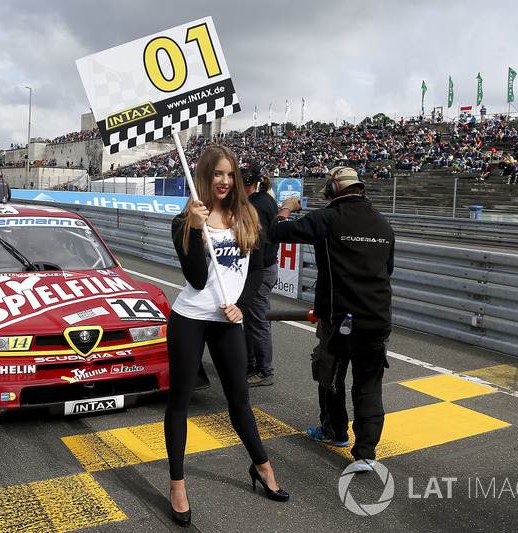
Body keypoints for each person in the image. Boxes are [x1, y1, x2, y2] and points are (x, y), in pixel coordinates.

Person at [166, 146, 288, 527]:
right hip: (190, 318)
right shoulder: (185, 219)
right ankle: (177, 484)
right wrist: (196, 229)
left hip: (228, 320)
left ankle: (263, 468)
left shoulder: (247, 214)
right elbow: (197, 279)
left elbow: (257, 269)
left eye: (230, 174)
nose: (224, 181)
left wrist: (242, 304)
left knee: (240, 401)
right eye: (217, 174)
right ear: (204, 175)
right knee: (180, 402)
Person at [269, 166, 394, 472]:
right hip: (377, 317)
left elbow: (276, 231)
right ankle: (365, 453)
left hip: (339, 319)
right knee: (369, 386)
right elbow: (386, 270)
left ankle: (334, 431)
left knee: (331, 376)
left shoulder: (327, 218)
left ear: (335, 190)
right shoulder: (383, 224)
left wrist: (287, 207)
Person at [241, 160, 280, 387]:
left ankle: (264, 370)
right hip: (265, 267)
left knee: (257, 321)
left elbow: (258, 242)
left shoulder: (255, 205)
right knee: (253, 319)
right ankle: (252, 365)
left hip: (261, 269)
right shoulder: (266, 200)